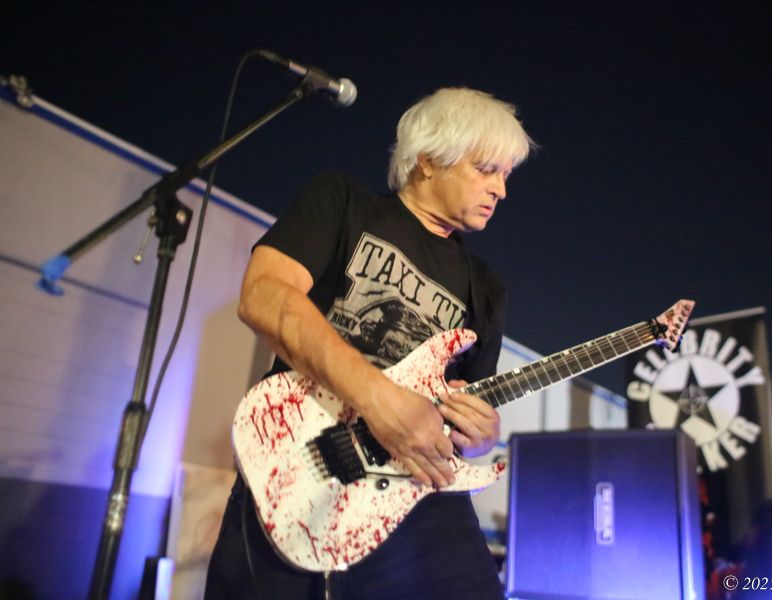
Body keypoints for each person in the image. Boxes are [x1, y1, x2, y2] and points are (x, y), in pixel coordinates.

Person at [205, 87, 534, 600]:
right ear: (429, 160)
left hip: (422, 499)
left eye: (506, 175)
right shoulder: (341, 201)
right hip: (303, 469)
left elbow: (470, 405)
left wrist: (480, 435)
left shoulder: (487, 287)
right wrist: (380, 400)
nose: (502, 190)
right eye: (487, 169)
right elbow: (264, 296)